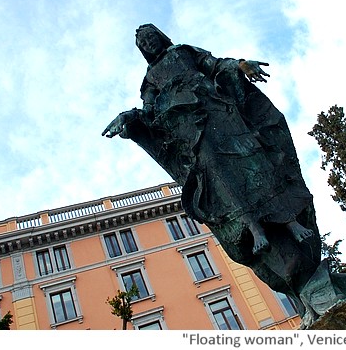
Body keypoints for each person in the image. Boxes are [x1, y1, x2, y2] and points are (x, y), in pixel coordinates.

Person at [103, 24, 324, 321]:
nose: (150, 41)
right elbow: (150, 114)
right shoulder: (150, 80)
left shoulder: (183, 52)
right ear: (142, 49)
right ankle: (255, 228)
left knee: (255, 157)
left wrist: (240, 66)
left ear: (161, 36)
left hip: (218, 109)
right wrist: (129, 118)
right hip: (191, 131)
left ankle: (290, 220)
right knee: (220, 175)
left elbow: (215, 65)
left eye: (152, 35)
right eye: (144, 41)